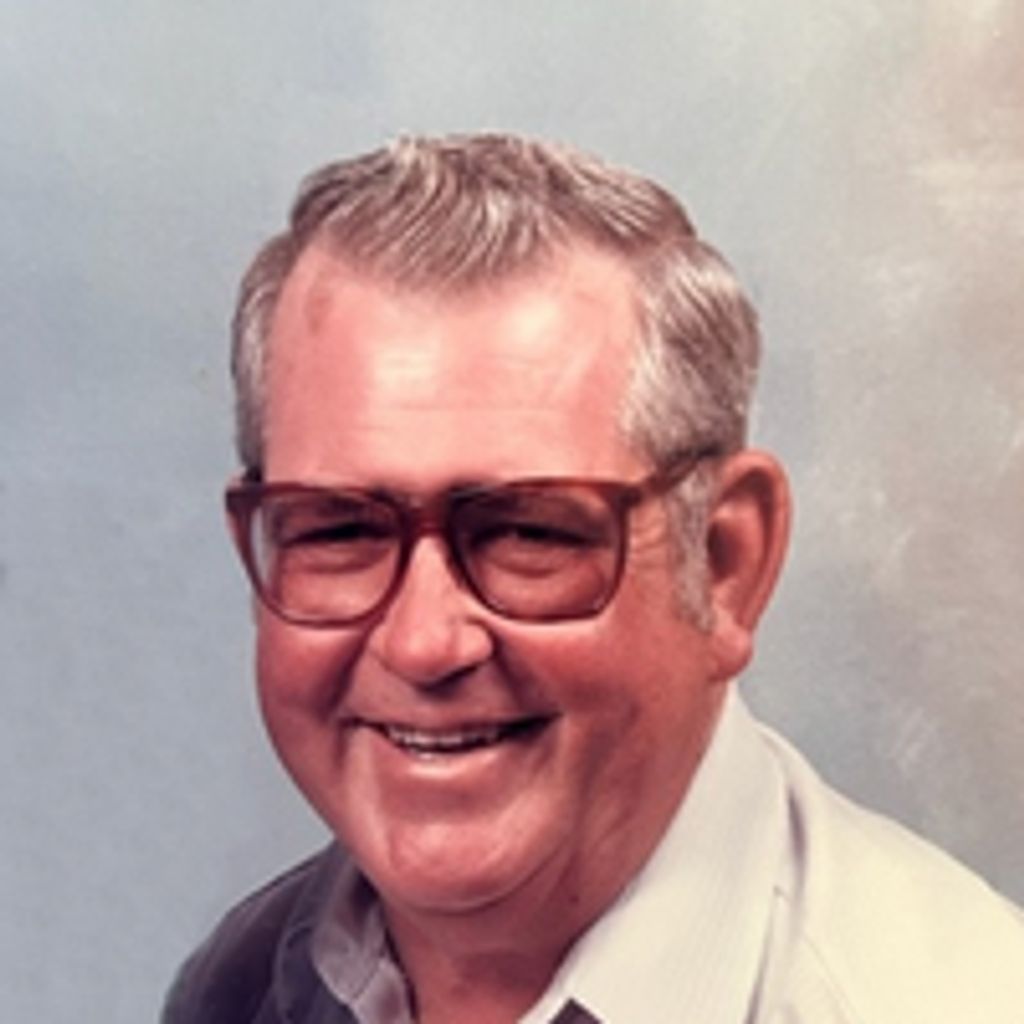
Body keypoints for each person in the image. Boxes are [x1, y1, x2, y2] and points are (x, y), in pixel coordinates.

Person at [164, 134, 1024, 1024]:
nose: (422, 643)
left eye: (526, 533)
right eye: (340, 531)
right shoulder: (238, 983)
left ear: (725, 563)